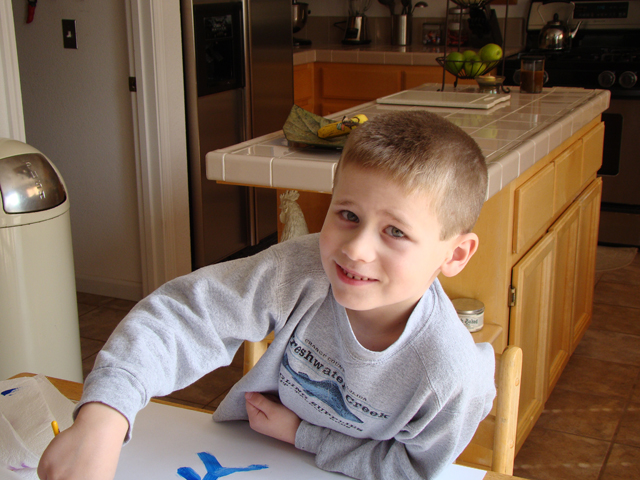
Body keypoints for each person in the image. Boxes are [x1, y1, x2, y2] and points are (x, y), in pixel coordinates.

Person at [38, 110, 496, 480]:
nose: (356, 249)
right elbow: (183, 316)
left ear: (455, 254)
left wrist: (303, 434)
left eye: (395, 231)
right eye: (348, 215)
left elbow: (412, 470)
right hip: (257, 453)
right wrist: (104, 415)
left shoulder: (451, 376)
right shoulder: (300, 271)